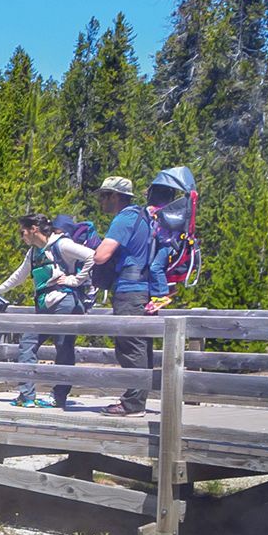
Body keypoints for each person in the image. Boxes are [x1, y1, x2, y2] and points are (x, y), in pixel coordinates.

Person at [0, 212, 93, 407]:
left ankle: (58, 396)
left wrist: (75, 280)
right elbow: (19, 275)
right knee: (28, 342)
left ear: (33, 229)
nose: (21, 237)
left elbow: (91, 257)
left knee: (63, 348)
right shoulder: (34, 251)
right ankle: (27, 395)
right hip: (45, 305)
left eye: (23, 232)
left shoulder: (61, 244)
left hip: (65, 302)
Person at [84, 175, 168, 416]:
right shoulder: (142, 217)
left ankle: (133, 404)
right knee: (138, 345)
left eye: (104, 195)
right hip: (140, 289)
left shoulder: (126, 218)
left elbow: (101, 256)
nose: (101, 201)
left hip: (130, 291)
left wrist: (88, 252)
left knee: (131, 347)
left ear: (115, 196)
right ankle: (136, 400)